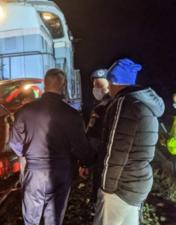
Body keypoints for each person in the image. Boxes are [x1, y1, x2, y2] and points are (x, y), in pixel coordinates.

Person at [10, 68, 92, 225]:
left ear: (45, 84)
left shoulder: (24, 112)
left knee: (30, 219)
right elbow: (81, 146)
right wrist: (87, 162)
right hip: (61, 171)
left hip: (34, 171)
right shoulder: (72, 114)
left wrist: (27, 154)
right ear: (63, 86)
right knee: (54, 219)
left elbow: (14, 143)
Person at [93, 58, 164, 225]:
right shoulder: (145, 104)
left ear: (116, 81)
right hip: (137, 182)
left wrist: (105, 188)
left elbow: (116, 150)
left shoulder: (124, 103)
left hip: (120, 186)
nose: (108, 86)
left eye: (110, 81)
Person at [80, 69, 112, 202]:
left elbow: (92, 139)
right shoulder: (119, 103)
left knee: (99, 197)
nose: (95, 89)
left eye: (98, 86)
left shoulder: (101, 108)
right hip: (115, 164)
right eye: (95, 86)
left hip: (101, 161)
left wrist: (85, 163)